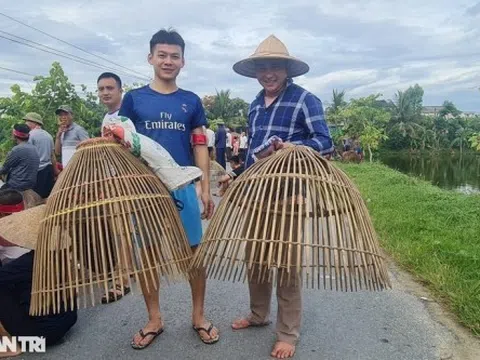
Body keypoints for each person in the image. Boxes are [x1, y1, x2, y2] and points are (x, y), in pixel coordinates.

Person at [230, 34, 334, 359]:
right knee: (256, 260)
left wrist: (296, 148)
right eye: (262, 67)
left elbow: (326, 142)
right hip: (257, 193)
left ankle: (287, 333)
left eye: (275, 66)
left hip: (289, 196)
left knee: (286, 265)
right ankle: (259, 315)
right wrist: (239, 177)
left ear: (287, 70)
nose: (268, 73)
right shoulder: (254, 105)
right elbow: (251, 151)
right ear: (256, 72)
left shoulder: (306, 100)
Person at [119, 28, 218, 349]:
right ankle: (154, 319)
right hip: (144, 191)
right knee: (147, 255)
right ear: (150, 58)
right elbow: (122, 141)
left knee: (194, 255)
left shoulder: (190, 102)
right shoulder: (133, 99)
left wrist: (204, 186)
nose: (168, 61)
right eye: (162, 55)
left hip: (184, 186)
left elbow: (200, 144)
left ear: (183, 61)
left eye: (174, 56)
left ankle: (199, 316)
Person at [0, 207, 78, 358]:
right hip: (68, 321)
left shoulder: (29, 261)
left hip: (41, 338)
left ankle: (9, 347)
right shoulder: (58, 255)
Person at [96, 72, 132, 303]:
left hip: (128, 180)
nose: (105, 92)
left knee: (124, 230)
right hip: (112, 181)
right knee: (122, 230)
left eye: (110, 88)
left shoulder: (127, 117)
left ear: (120, 90)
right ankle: (124, 274)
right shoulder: (106, 119)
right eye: (101, 89)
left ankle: (122, 279)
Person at [23, 112, 58, 198]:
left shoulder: (30, 135)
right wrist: (56, 172)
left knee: (35, 199)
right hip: (48, 171)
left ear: (33, 122)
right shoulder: (48, 135)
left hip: (37, 172)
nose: (25, 124)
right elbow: (52, 156)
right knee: (47, 198)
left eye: (27, 121)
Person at [0, 124, 40, 192]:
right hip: (30, 185)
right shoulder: (34, 148)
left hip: (15, 186)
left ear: (15, 135)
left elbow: (4, 169)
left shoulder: (17, 149)